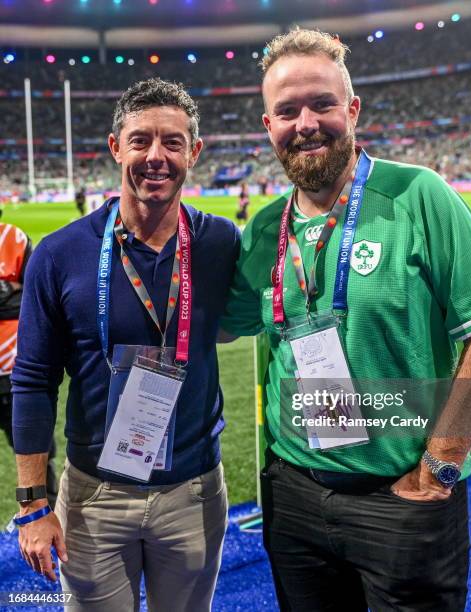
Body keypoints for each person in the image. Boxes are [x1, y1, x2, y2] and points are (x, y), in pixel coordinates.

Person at [220, 30, 471, 611]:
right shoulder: (262, 230)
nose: (305, 122)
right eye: (287, 111)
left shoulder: (419, 194)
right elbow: (219, 325)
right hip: (295, 499)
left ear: (352, 109)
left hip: (402, 499)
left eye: (322, 104)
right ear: (268, 126)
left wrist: (440, 468)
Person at [12, 78, 240, 611]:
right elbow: (33, 381)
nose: (155, 156)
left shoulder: (221, 243)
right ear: (116, 147)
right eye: (140, 141)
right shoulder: (59, 254)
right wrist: (32, 504)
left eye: (172, 142)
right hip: (94, 498)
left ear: (195, 152)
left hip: (194, 492)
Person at [0, 214, 58, 508]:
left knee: (36, 448)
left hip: (14, 368)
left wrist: (11, 300)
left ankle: (46, 508)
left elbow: (37, 300)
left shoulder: (15, 239)